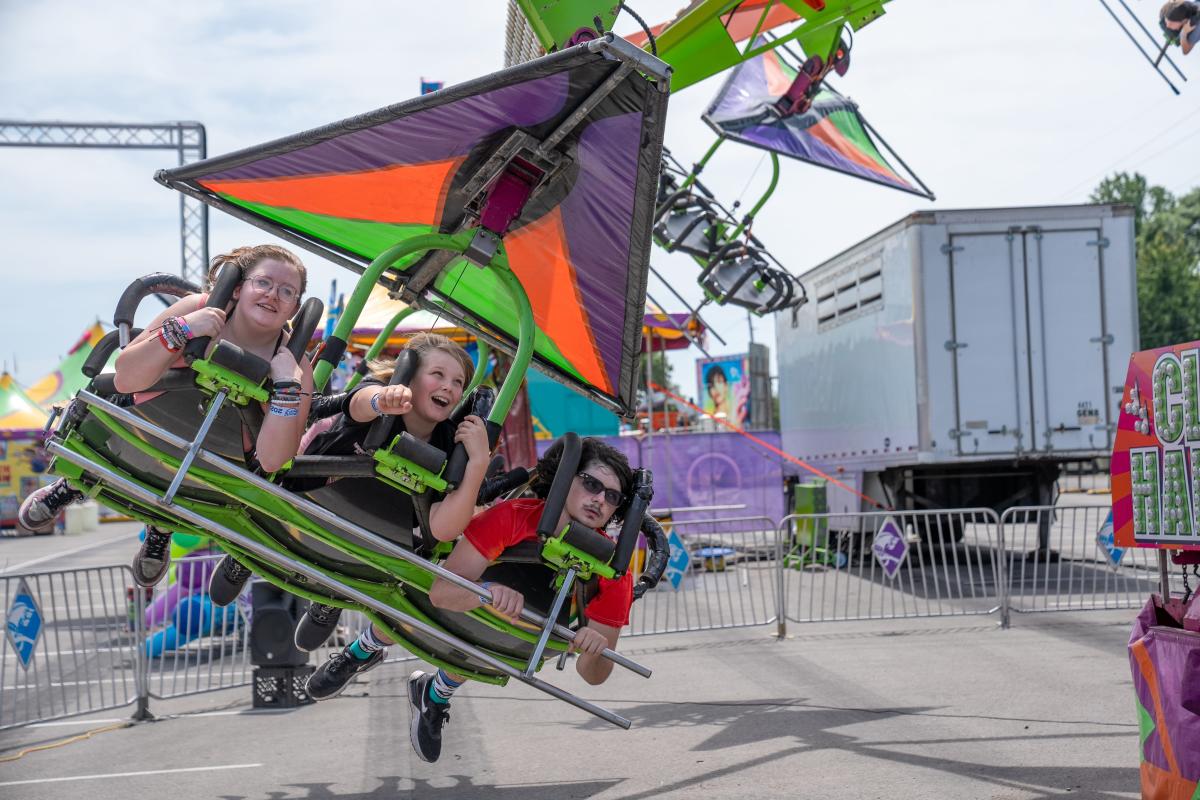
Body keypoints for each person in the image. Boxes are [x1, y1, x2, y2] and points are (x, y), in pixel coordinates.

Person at [306, 436, 635, 764]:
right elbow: (440, 594)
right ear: (566, 478)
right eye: (591, 483)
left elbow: (594, 675)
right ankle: (361, 650)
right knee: (419, 603)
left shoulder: (614, 571)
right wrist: (487, 592)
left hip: (512, 642)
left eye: (612, 496)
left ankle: (434, 695)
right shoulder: (513, 517)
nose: (599, 500)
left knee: (494, 639)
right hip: (459, 609)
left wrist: (595, 648)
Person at [18, 245, 313, 588]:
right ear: (239, 287)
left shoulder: (295, 366)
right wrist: (184, 328)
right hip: (136, 425)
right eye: (263, 283)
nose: (273, 295)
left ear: (294, 307)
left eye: (287, 291)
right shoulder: (200, 308)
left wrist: (286, 386)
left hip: (211, 467)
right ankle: (74, 482)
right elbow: (126, 376)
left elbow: (275, 460)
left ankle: (161, 527)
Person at [282, 332, 492, 646]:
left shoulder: (450, 443)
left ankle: (334, 603)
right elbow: (357, 404)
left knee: (420, 579)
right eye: (438, 375)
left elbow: (445, 529)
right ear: (411, 377)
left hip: (381, 535)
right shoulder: (379, 392)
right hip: (315, 499)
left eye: (458, 382)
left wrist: (476, 464)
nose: (449, 386)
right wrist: (383, 401)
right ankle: (243, 559)